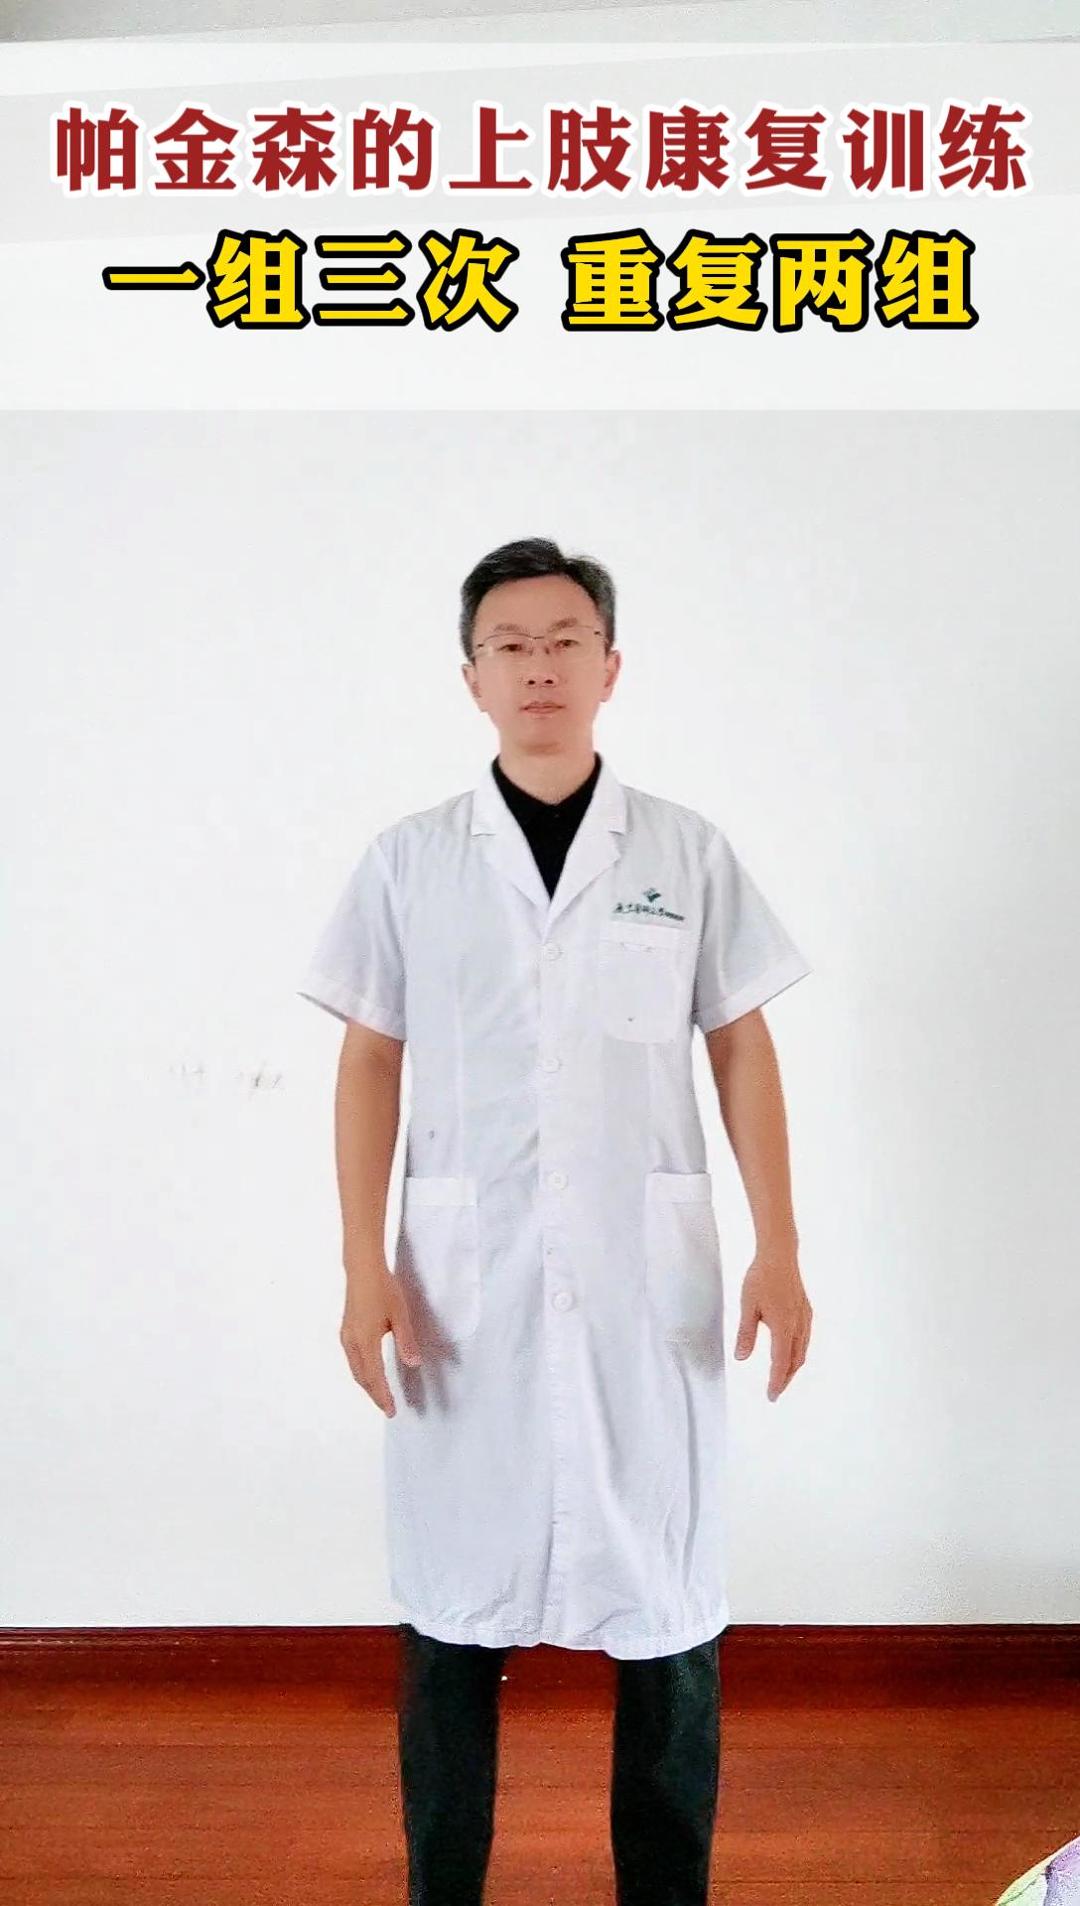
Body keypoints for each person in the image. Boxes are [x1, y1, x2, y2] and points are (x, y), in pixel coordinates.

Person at [297, 535, 814, 1906]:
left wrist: (780, 1245)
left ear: (611, 667)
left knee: (669, 1608)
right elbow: (369, 1060)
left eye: (565, 640)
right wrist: (362, 1264)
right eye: (511, 645)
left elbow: (741, 1045)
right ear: (471, 677)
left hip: (651, 1289)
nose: (540, 665)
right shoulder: (410, 862)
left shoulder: (684, 851)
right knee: (452, 1613)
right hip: (463, 1290)